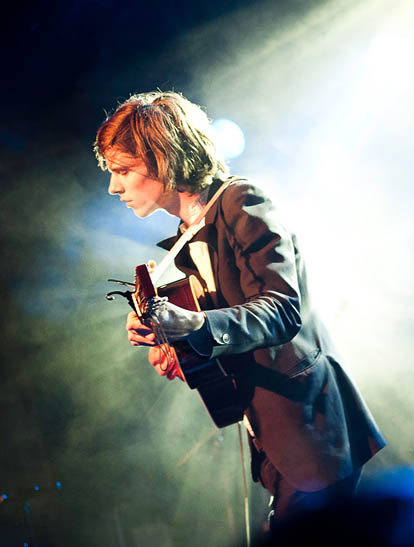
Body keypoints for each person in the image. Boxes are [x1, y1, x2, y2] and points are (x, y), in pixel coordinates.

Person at [94, 90, 386, 525]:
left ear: (163, 157)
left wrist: (193, 323)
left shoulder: (242, 201)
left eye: (123, 170)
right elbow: (221, 328)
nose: (114, 186)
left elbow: (282, 309)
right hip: (271, 435)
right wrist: (170, 341)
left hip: (310, 428)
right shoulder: (187, 235)